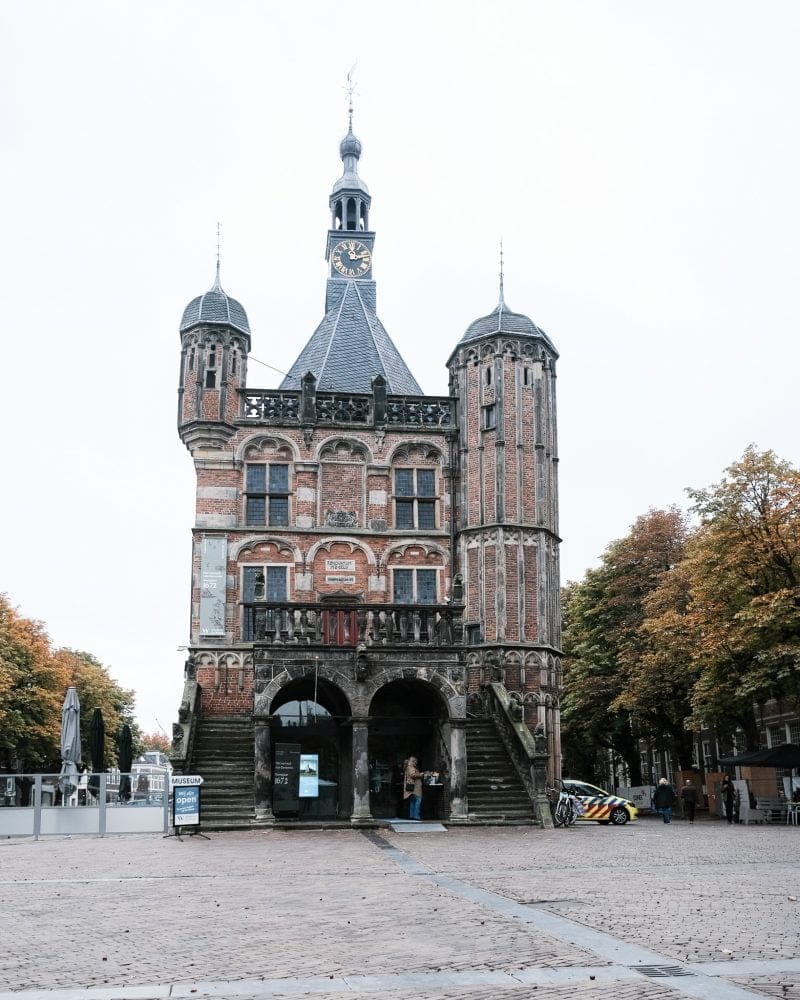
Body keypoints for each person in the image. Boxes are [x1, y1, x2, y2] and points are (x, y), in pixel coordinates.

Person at [403, 756, 424, 821]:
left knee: (413, 801)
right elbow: (412, 775)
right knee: (418, 800)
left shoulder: (408, 767)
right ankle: (416, 816)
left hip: (413, 787)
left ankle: (412, 815)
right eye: (415, 762)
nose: (416, 763)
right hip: (415, 787)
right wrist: (421, 774)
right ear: (413, 761)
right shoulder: (411, 767)